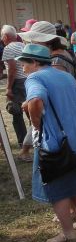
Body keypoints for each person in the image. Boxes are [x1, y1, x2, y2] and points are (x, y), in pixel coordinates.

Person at [15, 42, 76, 242]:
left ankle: (68, 232)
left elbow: (36, 101)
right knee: (75, 182)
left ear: (33, 62)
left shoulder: (35, 77)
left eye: (24, 64)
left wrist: (35, 123)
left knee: (57, 188)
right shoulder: (66, 76)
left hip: (55, 143)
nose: (22, 68)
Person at [1, 25, 32, 161]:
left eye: (2, 36)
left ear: (6, 37)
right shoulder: (22, 45)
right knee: (30, 112)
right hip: (27, 79)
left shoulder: (8, 48)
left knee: (16, 113)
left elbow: (12, 69)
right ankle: (35, 140)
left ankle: (23, 145)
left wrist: (8, 88)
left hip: (17, 83)